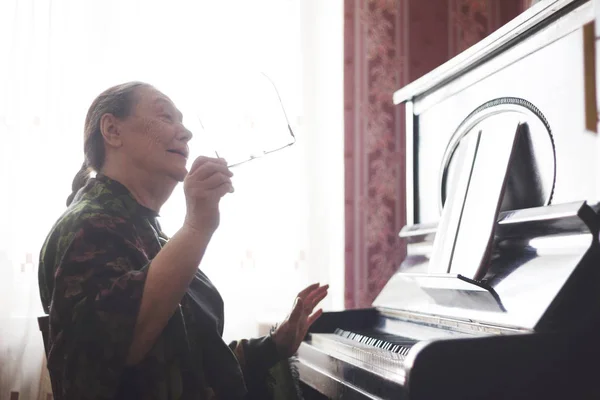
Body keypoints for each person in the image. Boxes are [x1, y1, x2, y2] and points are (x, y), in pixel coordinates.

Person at [38, 81, 329, 400]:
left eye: (182, 120)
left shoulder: (148, 233)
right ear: (112, 130)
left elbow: (190, 366)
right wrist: (196, 226)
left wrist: (276, 344)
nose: (186, 132)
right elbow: (114, 352)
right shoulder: (88, 224)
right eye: (165, 116)